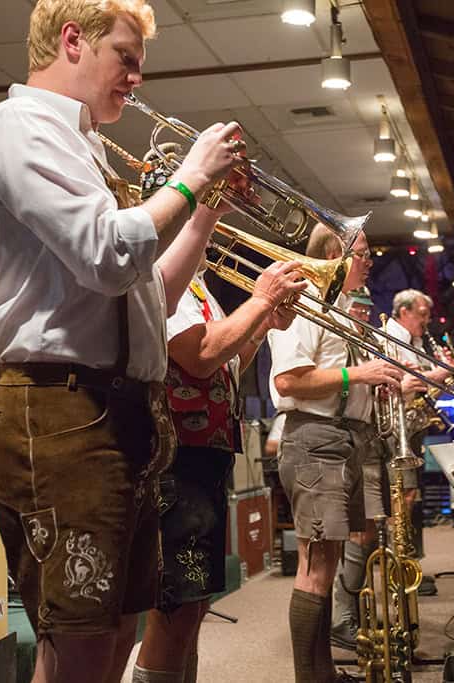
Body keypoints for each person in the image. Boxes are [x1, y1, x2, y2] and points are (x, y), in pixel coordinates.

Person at [0, 2, 248, 682]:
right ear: (71, 42)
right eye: (126, 57)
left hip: (116, 412)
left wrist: (203, 212)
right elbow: (106, 251)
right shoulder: (19, 127)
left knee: (116, 630)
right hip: (62, 412)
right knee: (82, 643)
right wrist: (189, 177)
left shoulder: (83, 144)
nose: (136, 78)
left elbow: (152, 295)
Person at [134, 258, 305, 682]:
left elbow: (225, 365)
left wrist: (261, 324)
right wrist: (261, 300)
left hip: (204, 454)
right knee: (176, 604)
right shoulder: (166, 275)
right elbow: (200, 356)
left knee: (192, 604)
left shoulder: (197, 286)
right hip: (178, 456)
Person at [268, 226, 403, 682]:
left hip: (342, 439)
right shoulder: (304, 303)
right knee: (314, 566)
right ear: (333, 255)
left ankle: (323, 674)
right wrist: (357, 376)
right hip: (315, 439)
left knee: (325, 564)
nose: (370, 261)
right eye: (362, 253)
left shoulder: (339, 310)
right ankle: (309, 678)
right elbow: (289, 381)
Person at [329, 287, 424, 650]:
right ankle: (342, 615)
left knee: (369, 531)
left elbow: (381, 397)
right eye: (358, 307)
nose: (365, 314)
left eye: (369, 307)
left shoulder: (369, 343)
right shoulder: (340, 341)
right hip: (349, 439)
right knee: (357, 533)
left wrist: (402, 386)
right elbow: (342, 395)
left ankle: (353, 611)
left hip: (374, 439)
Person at [382, 289, 453, 592]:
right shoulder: (389, 336)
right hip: (400, 429)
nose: (427, 320)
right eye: (422, 314)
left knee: (413, 498)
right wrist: (437, 374)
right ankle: (399, 570)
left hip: (414, 427)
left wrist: (441, 375)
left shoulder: (416, 341)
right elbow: (402, 379)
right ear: (404, 312)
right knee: (403, 499)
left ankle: (411, 566)